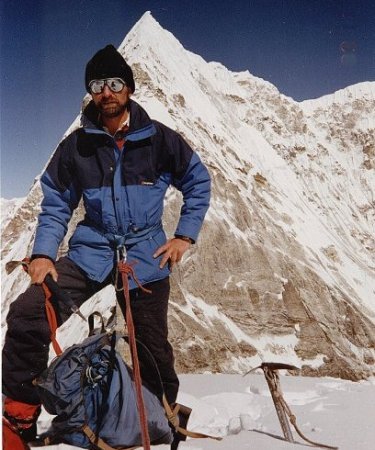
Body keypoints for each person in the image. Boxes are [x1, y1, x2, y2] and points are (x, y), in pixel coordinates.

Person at [2, 44, 211, 442]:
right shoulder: (77, 147)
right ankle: (19, 421)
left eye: (115, 83)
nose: (106, 92)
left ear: (129, 89)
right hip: (91, 251)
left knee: (151, 348)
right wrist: (44, 254)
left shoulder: (160, 141)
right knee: (28, 313)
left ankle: (160, 422)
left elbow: (198, 181)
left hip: (145, 255)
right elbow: (57, 203)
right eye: (98, 85)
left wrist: (185, 236)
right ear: (91, 92)